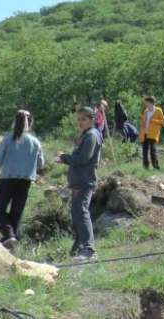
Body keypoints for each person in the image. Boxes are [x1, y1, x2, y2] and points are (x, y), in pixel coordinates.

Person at [56, 107, 102, 261]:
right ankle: (78, 247)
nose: (80, 122)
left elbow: (83, 158)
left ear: (92, 120)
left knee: (81, 213)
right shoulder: (85, 135)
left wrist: (64, 158)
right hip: (79, 181)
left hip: (84, 181)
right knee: (77, 214)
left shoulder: (91, 136)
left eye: (83, 119)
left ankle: (89, 250)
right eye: (78, 119)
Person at [0, 110, 44, 249]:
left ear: (14, 122)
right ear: (31, 123)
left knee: (0, 209)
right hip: (26, 180)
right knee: (17, 211)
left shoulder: (8, 139)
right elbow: (41, 163)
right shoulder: (35, 141)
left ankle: (9, 235)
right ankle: (13, 238)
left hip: (7, 178)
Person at [139, 96, 164, 170]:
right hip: (145, 133)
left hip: (153, 134)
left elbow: (163, 121)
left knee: (152, 150)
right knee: (144, 151)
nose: (146, 104)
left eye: (147, 103)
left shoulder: (158, 110)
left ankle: (156, 167)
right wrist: (143, 125)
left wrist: (154, 120)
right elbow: (144, 121)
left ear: (151, 103)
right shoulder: (146, 111)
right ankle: (145, 168)